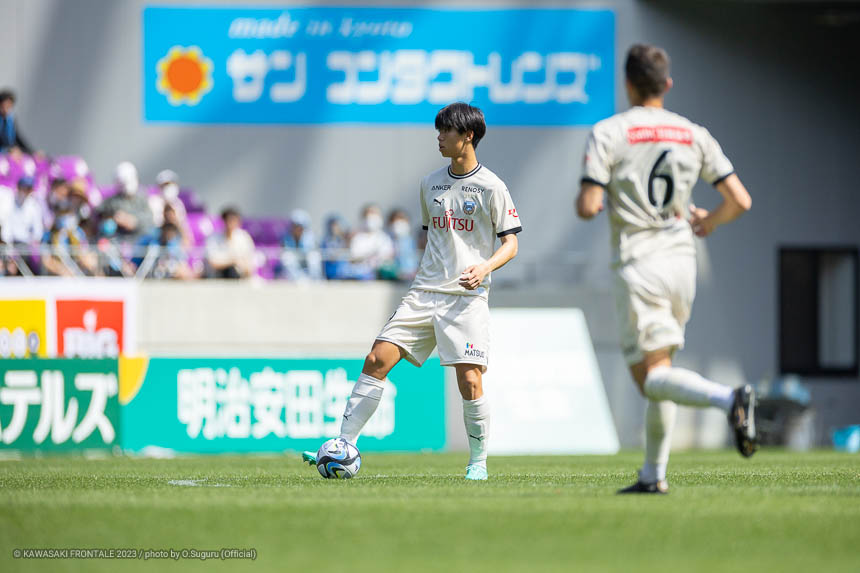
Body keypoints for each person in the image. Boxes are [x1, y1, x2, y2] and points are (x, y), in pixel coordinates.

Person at [303, 102, 522, 480]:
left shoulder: (492, 187)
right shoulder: (430, 183)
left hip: (466, 298)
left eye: (446, 131)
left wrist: (484, 267)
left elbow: (511, 244)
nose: (439, 137)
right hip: (423, 293)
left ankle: (478, 462)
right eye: (439, 130)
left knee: (470, 380)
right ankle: (343, 444)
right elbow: (433, 239)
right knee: (376, 359)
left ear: (468, 136)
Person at [576, 44, 757, 494]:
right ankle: (653, 476)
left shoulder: (609, 131)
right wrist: (708, 222)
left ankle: (729, 398)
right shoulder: (693, 133)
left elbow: (588, 205)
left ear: (627, 84)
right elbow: (740, 200)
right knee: (664, 367)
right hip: (682, 263)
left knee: (651, 379)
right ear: (667, 84)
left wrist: (598, 198)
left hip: (639, 263)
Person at [98, 161, 155, 242]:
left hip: (138, 242)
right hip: (117, 241)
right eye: (123, 183)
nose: (127, 186)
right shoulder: (111, 202)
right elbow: (99, 213)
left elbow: (150, 220)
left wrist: (134, 222)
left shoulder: (142, 200)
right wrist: (112, 218)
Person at [205, 206, 257, 278]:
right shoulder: (213, 238)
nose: (231, 224)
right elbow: (213, 263)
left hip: (240, 277)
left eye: (233, 221)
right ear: (224, 221)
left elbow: (249, 265)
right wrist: (233, 261)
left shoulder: (244, 238)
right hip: (218, 276)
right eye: (229, 221)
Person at [348, 203, 394, 279]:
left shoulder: (384, 238)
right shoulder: (357, 238)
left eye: (374, 213)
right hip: (360, 277)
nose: (371, 218)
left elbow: (387, 258)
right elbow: (354, 258)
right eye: (368, 214)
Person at [279, 209, 322, 280]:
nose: (296, 228)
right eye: (294, 225)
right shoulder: (286, 237)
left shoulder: (310, 237)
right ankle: (297, 280)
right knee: (286, 257)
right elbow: (285, 252)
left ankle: (315, 280)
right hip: (295, 267)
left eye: (299, 226)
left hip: (306, 263)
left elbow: (310, 253)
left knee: (314, 256)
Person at [0, 89, 35, 156]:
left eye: (8, 106)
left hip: (9, 153)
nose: (5, 109)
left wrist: (32, 152)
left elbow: (18, 139)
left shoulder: (10, 120)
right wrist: (7, 150)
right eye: (3, 106)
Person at [319, 214, 351, 280]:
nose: (335, 227)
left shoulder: (342, 240)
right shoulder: (325, 242)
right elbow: (331, 258)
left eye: (336, 225)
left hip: (344, 273)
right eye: (333, 225)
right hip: (331, 275)